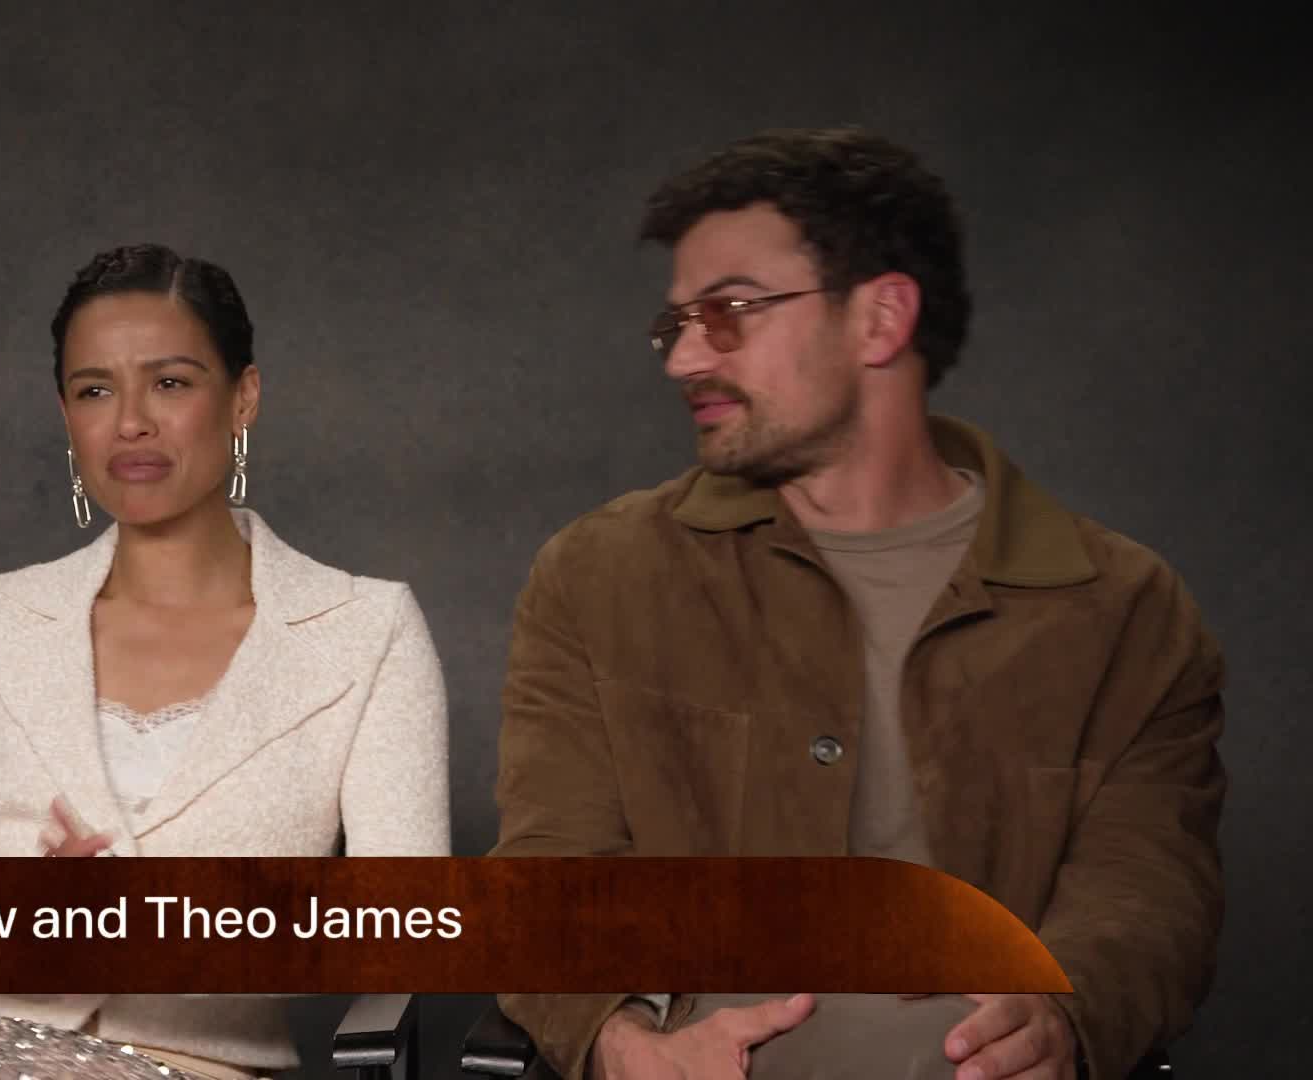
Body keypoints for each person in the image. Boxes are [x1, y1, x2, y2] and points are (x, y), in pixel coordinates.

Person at [491, 129, 1225, 1080]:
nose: (684, 358)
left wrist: (1063, 1012)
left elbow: (1152, 888)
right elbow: (549, 874)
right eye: (676, 325)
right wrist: (625, 1047)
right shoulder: (600, 575)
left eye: (730, 311)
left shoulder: (1124, 610)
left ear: (880, 319)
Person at [0, 243, 451, 1079]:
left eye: (171, 383)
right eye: (95, 391)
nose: (130, 422)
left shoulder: (367, 630)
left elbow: (407, 931)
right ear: (67, 416)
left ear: (243, 397)